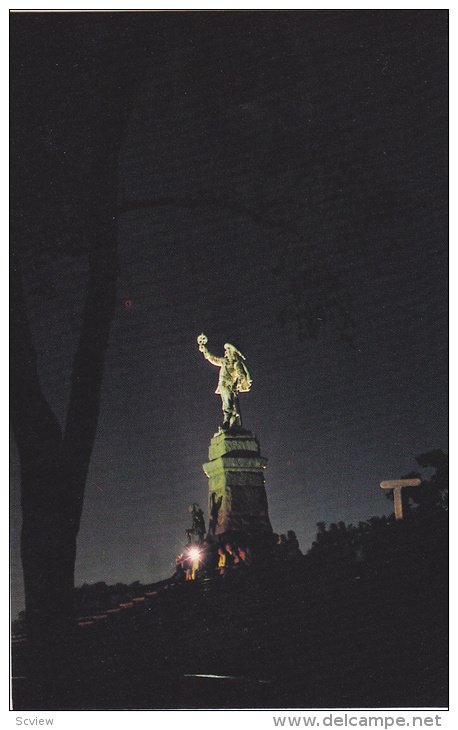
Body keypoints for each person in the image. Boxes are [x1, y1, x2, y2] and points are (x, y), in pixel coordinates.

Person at [198, 335, 252, 431]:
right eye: (226, 351)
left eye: (228, 350)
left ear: (232, 352)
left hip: (229, 385)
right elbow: (213, 359)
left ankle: (227, 422)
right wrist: (205, 350)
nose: (226, 352)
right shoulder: (224, 361)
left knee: (228, 405)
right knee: (226, 405)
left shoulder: (236, 363)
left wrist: (237, 385)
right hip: (222, 385)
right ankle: (229, 422)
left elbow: (242, 375)